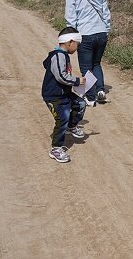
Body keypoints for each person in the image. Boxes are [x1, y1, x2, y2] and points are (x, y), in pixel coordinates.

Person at [65, 0, 111, 107]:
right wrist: (106, 31)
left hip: (85, 35)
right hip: (102, 34)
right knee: (96, 63)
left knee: (86, 67)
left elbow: (71, 19)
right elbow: (106, 15)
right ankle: (101, 91)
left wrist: (72, 36)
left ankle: (90, 98)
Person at [42, 27, 87, 163]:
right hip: (54, 96)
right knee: (62, 119)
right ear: (70, 42)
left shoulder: (63, 55)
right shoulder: (58, 56)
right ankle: (56, 148)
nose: (77, 48)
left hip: (64, 94)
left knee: (81, 104)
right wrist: (77, 81)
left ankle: (71, 126)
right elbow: (61, 76)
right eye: (77, 45)